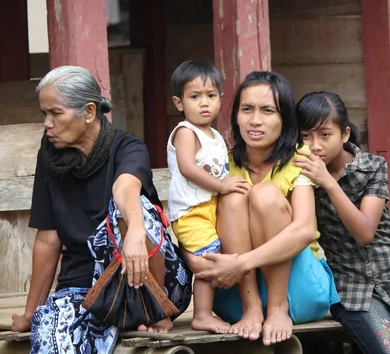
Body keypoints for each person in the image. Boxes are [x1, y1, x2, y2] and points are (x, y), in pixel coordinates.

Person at [11, 65, 191, 354]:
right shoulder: (49, 157)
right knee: (49, 336)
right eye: (44, 114)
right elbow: (48, 239)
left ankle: (156, 312)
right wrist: (31, 313)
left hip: (152, 278)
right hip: (83, 286)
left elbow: (125, 189)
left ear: (90, 112)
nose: (47, 123)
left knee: (130, 209)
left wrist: (134, 231)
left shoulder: (127, 147)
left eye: (55, 113)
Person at [196, 71, 339, 346]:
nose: (255, 120)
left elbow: (305, 230)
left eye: (268, 111)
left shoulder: (300, 160)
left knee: (264, 195)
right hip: (237, 295)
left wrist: (242, 262)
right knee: (233, 195)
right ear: (235, 116)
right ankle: (253, 309)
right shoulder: (221, 164)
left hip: (299, 291)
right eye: (247, 109)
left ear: (284, 119)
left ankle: (276, 308)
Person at [295, 91, 390, 354]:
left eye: (325, 134)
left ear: (345, 134)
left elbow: (365, 232)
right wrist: (323, 180)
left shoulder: (372, 167)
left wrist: (328, 182)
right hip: (352, 292)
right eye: (305, 135)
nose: (315, 145)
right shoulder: (301, 176)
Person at [167, 60, 250, 334]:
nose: (204, 103)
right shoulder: (185, 132)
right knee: (208, 260)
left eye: (211, 96)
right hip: (191, 211)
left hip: (210, 208)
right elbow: (188, 168)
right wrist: (222, 186)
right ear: (179, 103)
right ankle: (201, 314)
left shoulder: (214, 134)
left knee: (218, 255)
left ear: (221, 99)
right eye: (195, 97)